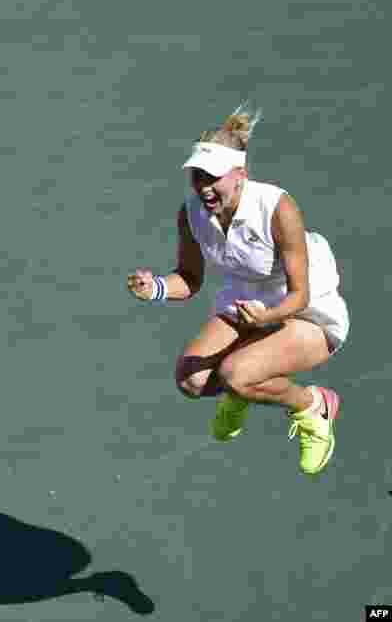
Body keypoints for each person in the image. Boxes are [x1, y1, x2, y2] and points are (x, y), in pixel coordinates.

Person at [126, 103, 349, 476]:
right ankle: (242, 389)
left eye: (213, 177)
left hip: (308, 311)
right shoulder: (192, 213)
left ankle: (313, 406)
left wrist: (270, 317)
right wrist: (156, 288)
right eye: (197, 176)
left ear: (240, 175)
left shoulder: (278, 208)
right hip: (247, 304)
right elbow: (190, 279)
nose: (204, 186)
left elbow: (301, 294)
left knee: (237, 374)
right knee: (192, 381)